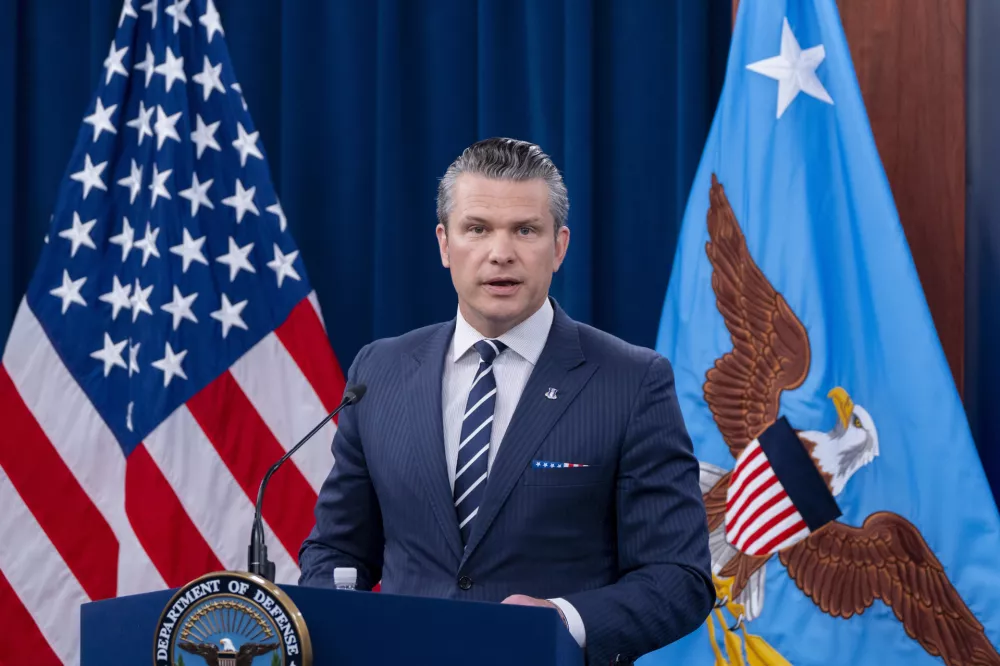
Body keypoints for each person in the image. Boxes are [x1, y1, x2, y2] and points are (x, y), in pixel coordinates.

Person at [298, 137, 714, 665]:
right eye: (477, 229)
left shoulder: (632, 382)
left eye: (525, 230)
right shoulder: (378, 372)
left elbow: (680, 577)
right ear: (445, 244)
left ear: (559, 246)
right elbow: (338, 549)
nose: (501, 252)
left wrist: (563, 621)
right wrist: (346, 624)